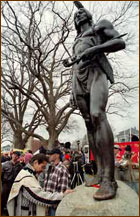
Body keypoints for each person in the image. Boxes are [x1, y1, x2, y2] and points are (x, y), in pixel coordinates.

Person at [63, 1, 125, 200]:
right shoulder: (76, 39)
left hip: (96, 73)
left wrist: (94, 50)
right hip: (78, 80)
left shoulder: (100, 27)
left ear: (89, 16)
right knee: (89, 124)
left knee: (98, 115)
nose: (79, 14)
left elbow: (119, 42)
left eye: (82, 12)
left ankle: (109, 178)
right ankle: (99, 171)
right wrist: (73, 90)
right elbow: (75, 66)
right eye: (76, 14)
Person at [7, 154, 73, 216]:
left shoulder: (27, 172)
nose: (43, 170)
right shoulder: (26, 177)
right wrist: (62, 195)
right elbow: (39, 196)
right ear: (35, 163)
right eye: (42, 167)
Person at [44, 148, 71, 216]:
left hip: (55, 206)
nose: (49, 156)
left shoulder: (62, 169)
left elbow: (63, 188)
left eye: (51, 154)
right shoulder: (50, 167)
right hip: (47, 203)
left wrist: (56, 203)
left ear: (57, 155)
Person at [1, 151, 23, 215]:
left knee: (13, 199)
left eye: (16, 155)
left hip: (15, 185)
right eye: (14, 155)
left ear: (18, 157)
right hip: (6, 184)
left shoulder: (20, 166)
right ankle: (2, 211)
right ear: (12, 155)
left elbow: (20, 175)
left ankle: (10, 212)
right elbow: (1, 174)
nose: (15, 156)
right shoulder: (5, 164)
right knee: (3, 197)